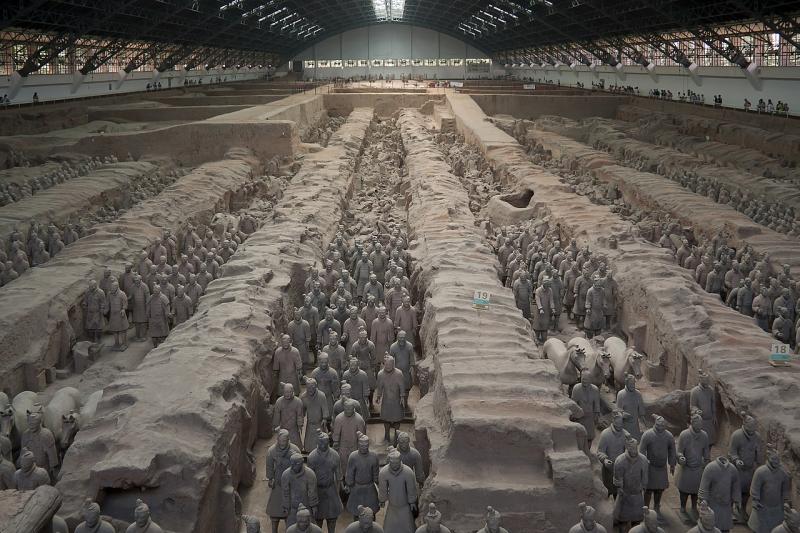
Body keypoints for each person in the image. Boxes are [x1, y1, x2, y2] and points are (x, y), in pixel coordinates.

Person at [639, 415, 677, 520]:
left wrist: (672, 464)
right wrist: (643, 462)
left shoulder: (668, 436)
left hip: (662, 468)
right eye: (659, 425)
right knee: (648, 489)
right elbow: (641, 450)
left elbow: (672, 450)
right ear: (655, 424)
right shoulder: (647, 435)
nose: (660, 427)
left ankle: (656, 507)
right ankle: (645, 508)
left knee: (660, 489)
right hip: (650, 467)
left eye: (662, 425)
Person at [748, 446, 791, 533]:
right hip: (762, 506)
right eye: (773, 459)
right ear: (769, 458)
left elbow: (785, 490)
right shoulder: (760, 472)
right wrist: (755, 500)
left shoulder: (783, 473)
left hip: (777, 507)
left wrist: (785, 501)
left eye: (777, 459)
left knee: (775, 529)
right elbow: (755, 487)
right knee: (759, 529)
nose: (775, 462)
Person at [267, 429, 301, 533]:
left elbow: (300, 468)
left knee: (290, 512)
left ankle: (290, 529)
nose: (282, 443)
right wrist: (270, 478)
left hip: (291, 485)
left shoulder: (295, 450)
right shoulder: (272, 450)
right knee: (274, 511)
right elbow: (269, 466)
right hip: (278, 484)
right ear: (277, 439)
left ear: (288, 440)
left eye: (284, 441)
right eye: (281, 441)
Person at [307, 432, 342, 533]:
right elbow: (309, 478)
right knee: (318, 519)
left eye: (325, 442)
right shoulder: (312, 456)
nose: (323, 445)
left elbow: (339, 476)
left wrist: (338, 493)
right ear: (317, 442)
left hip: (331, 490)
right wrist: (311, 497)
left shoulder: (335, 455)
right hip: (318, 491)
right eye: (321, 442)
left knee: (332, 518)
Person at [613, 436, 649, 532]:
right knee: (623, 522)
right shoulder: (620, 461)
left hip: (637, 495)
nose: (634, 450)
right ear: (627, 448)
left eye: (635, 447)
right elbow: (617, 478)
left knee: (637, 522)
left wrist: (643, 488)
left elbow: (645, 477)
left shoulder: (643, 460)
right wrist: (620, 488)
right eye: (631, 448)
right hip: (625, 495)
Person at [378, 447, 417, 533]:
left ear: (400, 461)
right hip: (392, 506)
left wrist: (412, 501)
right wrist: (382, 500)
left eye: (397, 463)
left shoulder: (408, 472)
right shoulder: (384, 472)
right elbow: (383, 489)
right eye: (393, 463)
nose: (395, 465)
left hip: (405, 505)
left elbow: (411, 489)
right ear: (389, 461)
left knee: (408, 528)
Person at [699, 455, 741, 533]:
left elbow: (736, 486)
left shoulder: (732, 469)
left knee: (725, 527)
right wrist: (703, 499)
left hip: (726, 505)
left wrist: (737, 499)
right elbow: (704, 486)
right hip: (713, 503)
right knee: (711, 525)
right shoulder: (710, 468)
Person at [345, 432, 380, 520]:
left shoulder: (374, 456)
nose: (364, 448)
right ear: (358, 445)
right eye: (361, 445)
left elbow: (376, 474)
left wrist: (380, 486)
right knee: (357, 513)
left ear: (368, 445)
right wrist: (349, 484)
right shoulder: (353, 456)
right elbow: (350, 473)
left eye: (365, 446)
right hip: (357, 488)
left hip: (370, 488)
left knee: (371, 513)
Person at [282, 453, 319, 527]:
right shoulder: (286, 475)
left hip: (307, 508)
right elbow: (285, 493)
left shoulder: (310, 474)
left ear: (302, 462)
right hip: (292, 508)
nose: (293, 466)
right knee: (291, 528)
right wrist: (286, 506)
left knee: (309, 528)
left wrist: (314, 506)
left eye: (296, 464)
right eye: (292, 463)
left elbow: (312, 492)